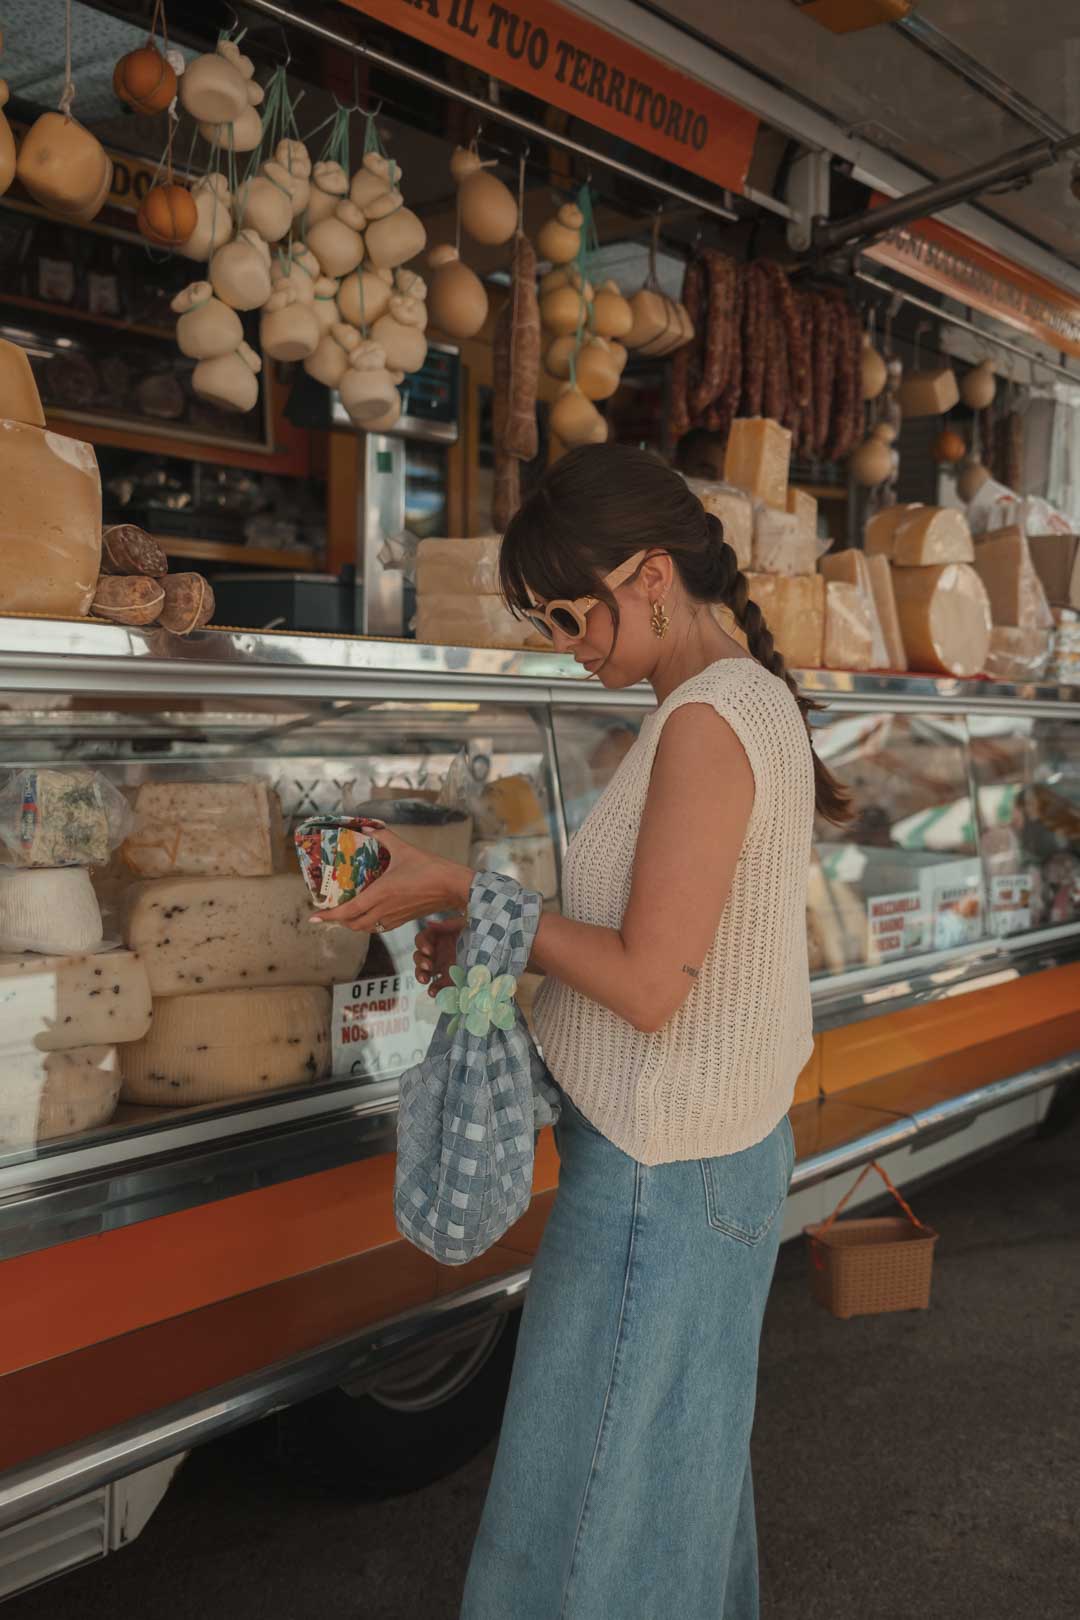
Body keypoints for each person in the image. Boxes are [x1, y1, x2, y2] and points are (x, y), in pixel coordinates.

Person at [315, 443, 851, 1619]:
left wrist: (465, 893)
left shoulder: (708, 722)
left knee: (589, 1522)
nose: (568, 643)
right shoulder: (735, 704)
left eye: (571, 613)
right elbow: (664, 960)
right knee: (671, 1507)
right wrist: (518, 944)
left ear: (651, 574)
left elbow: (653, 985)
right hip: (708, 1158)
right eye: (546, 621)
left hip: (662, 1175)